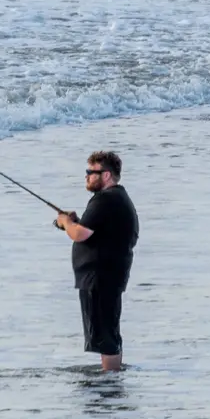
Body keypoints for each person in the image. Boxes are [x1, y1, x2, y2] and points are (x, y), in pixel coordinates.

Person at [54, 151, 139, 372]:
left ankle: (110, 383)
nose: (87, 176)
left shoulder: (105, 200)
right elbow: (97, 232)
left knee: (105, 336)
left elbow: (80, 234)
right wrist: (74, 222)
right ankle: (112, 379)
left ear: (107, 175)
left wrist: (65, 222)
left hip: (100, 278)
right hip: (107, 276)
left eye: (92, 172)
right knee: (108, 332)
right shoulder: (116, 198)